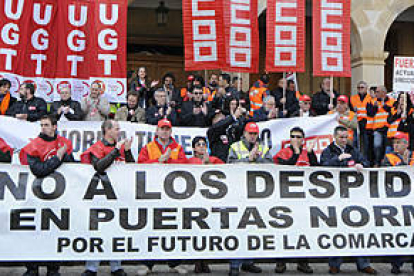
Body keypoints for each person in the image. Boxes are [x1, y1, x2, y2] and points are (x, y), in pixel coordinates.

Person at [19, 115, 75, 276]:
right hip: (36, 196)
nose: (43, 128)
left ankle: (53, 267)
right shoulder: (33, 145)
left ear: (54, 127)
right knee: (34, 232)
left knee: (54, 233)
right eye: (41, 125)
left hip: (58, 197)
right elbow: (38, 170)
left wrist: (65, 156)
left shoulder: (64, 143)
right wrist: (58, 157)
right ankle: (32, 268)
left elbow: (72, 168)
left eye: (46, 125)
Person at [80, 120, 133, 276]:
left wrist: (128, 152)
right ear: (107, 130)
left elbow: (132, 168)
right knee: (96, 232)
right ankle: (91, 267)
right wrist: (116, 151)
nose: (119, 131)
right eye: (116, 129)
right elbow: (99, 166)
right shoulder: (97, 147)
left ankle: (116, 266)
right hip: (99, 195)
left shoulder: (121, 148)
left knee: (116, 231)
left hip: (119, 195)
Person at [320, 126, 376, 275]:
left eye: (346, 137)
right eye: (341, 137)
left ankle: (363, 264)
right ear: (334, 137)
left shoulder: (353, 150)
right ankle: (334, 264)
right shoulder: (328, 151)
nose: (344, 140)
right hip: (336, 195)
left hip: (354, 195)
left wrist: (361, 165)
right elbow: (322, 167)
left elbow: (366, 162)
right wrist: (337, 159)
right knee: (337, 230)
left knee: (359, 229)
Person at [227, 122, 272, 276]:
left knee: (253, 229)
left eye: (254, 134)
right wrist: (248, 159)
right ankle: (235, 265)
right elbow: (230, 165)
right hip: (238, 192)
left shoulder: (264, 148)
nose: (252, 136)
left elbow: (271, 167)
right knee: (238, 229)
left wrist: (257, 159)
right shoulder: (235, 147)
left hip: (257, 192)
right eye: (250, 133)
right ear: (244, 133)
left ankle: (249, 262)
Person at [273, 127, 316, 274]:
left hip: (304, 198)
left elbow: (316, 169)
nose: (296, 139)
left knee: (303, 231)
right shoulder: (283, 152)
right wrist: (296, 154)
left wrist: (310, 155)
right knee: (283, 231)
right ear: (290, 138)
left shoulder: (307, 151)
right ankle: (281, 262)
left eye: (299, 137)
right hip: (285, 196)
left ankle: (303, 262)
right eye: (293, 136)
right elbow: (283, 169)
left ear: (303, 139)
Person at [381, 131, 414, 273]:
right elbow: (385, 173)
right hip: (397, 201)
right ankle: (396, 264)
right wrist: (402, 164)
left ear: (406, 144)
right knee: (398, 231)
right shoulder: (389, 157)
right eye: (394, 142)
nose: (394, 145)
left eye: (398, 142)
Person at [366, 85, 395, 167]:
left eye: (377, 92)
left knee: (387, 147)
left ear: (384, 92)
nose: (376, 93)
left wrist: (384, 106)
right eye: (375, 92)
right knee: (377, 145)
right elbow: (369, 113)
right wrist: (374, 108)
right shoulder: (372, 101)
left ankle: (385, 162)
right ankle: (377, 162)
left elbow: (393, 112)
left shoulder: (392, 101)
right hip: (377, 128)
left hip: (388, 128)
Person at [350, 81, 372, 158]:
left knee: (366, 143)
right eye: (358, 88)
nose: (360, 89)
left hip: (367, 123)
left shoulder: (370, 98)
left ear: (366, 89)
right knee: (355, 141)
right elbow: (351, 111)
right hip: (357, 122)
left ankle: (365, 159)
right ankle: (356, 157)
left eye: (362, 87)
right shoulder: (353, 98)